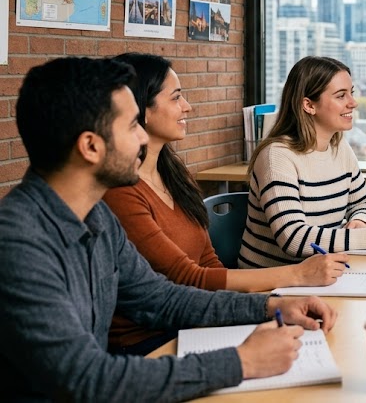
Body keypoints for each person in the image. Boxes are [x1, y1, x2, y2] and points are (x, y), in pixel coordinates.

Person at [0, 57, 337, 401]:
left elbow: (160, 298)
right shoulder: (19, 242)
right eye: (132, 125)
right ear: (90, 146)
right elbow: (85, 378)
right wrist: (242, 361)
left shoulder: (96, 217)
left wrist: (270, 307)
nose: (143, 136)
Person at [104, 53, 350, 355]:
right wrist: (295, 277)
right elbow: (189, 279)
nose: (187, 107)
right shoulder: (121, 193)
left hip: (198, 323)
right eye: (176, 98)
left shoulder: (172, 173)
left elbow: (208, 265)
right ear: (140, 108)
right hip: (152, 342)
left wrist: (268, 308)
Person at [241, 56, 366, 268]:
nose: (353, 102)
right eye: (341, 95)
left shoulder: (339, 147)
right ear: (308, 105)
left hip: (323, 273)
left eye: (352, 93)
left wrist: (361, 222)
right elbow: (294, 239)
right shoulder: (277, 157)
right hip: (273, 284)